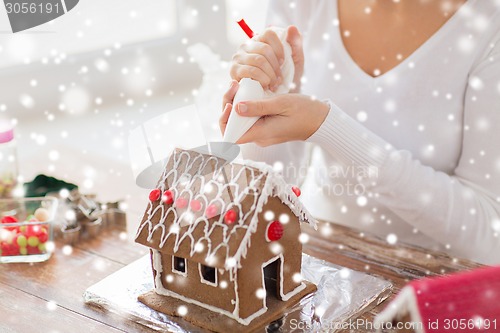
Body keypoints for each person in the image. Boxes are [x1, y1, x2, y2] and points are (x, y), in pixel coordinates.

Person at [220, 0, 500, 264]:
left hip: (429, 285)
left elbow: (489, 238)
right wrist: (265, 103)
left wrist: (328, 126)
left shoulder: (489, 26)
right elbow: (273, 192)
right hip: (319, 260)